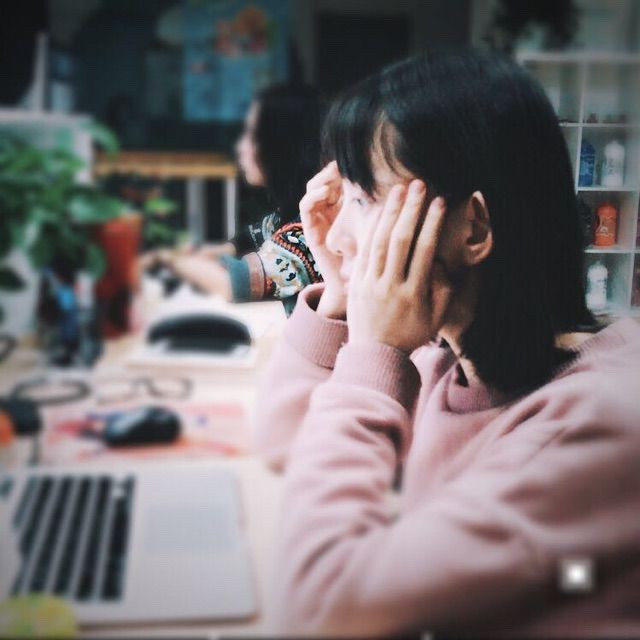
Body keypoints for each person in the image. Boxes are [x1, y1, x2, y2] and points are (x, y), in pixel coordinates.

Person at [253, 51, 640, 637]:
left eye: (364, 199)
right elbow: (287, 446)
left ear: (474, 228)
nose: (337, 233)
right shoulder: (445, 354)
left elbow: (321, 609)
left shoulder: (595, 426)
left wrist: (373, 355)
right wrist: (340, 295)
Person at [146, 83, 324, 315]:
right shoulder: (291, 212)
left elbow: (235, 283)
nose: (240, 148)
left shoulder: (314, 226)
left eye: (251, 136)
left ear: (281, 145)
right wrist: (209, 252)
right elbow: (247, 240)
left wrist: (167, 258)